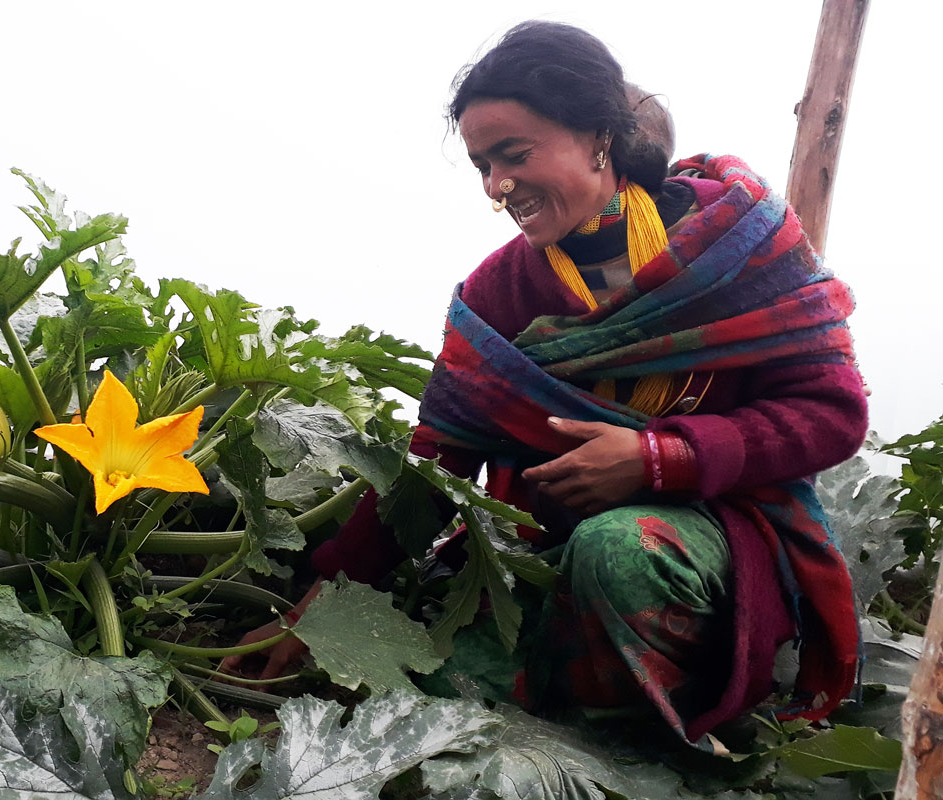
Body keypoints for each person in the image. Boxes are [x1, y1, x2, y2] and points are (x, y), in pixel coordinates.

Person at [223, 21, 867, 751]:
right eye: (481, 167)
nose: (498, 188)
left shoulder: (739, 241)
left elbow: (831, 415)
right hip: (542, 556)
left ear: (599, 137)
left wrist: (658, 459)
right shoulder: (500, 291)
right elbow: (436, 459)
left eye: (514, 155)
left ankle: (645, 746)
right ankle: (572, 707)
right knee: (416, 686)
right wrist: (323, 602)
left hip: (699, 554)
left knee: (618, 550)